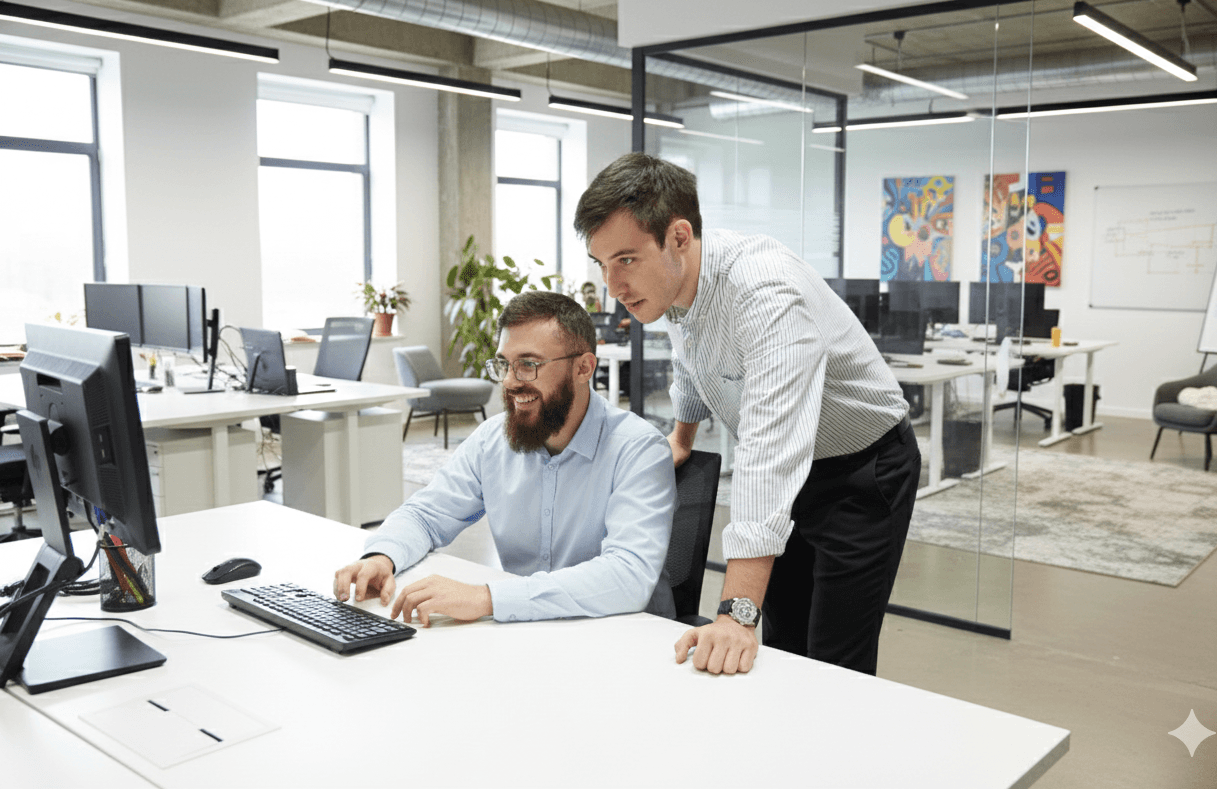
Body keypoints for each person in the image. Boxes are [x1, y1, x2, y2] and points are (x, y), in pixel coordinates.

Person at [575, 152, 921, 676]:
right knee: (783, 645)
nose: (613, 285)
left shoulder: (765, 294)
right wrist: (682, 436)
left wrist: (735, 613)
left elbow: (768, 453)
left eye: (625, 260)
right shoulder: (672, 286)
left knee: (835, 661)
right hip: (799, 471)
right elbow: (693, 362)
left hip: (862, 471)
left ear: (679, 237)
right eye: (602, 265)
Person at [334, 290, 677, 625]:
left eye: (528, 364)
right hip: (527, 633)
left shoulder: (638, 449)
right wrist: (382, 556)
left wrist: (487, 598)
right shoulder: (493, 439)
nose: (511, 382)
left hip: (627, 638)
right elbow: (426, 515)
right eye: (504, 364)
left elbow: (627, 576)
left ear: (584, 368)